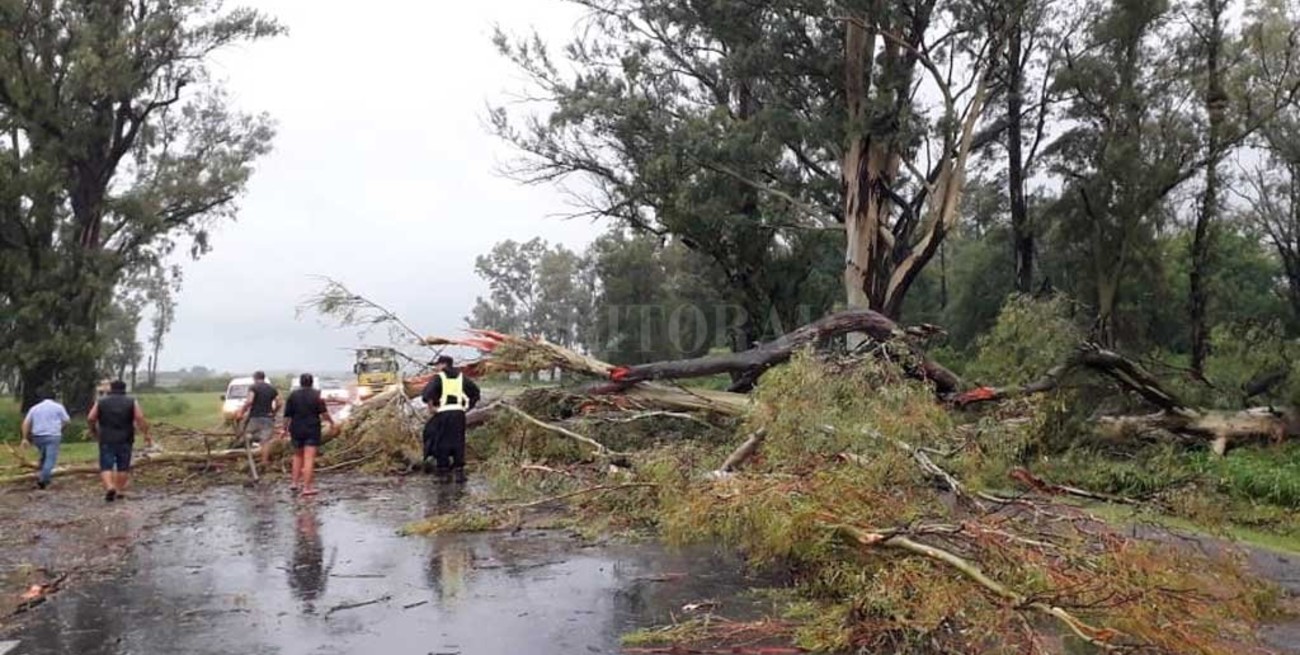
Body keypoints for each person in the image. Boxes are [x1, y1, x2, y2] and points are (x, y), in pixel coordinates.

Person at [87, 380, 152, 502]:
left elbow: (91, 417)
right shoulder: (131, 401)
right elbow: (139, 417)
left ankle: (110, 487)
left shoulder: (101, 401)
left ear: (111, 388)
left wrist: (93, 430)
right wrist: (146, 434)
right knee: (123, 466)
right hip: (125, 437)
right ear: (125, 389)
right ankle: (118, 490)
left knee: (106, 465)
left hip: (106, 437)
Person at [420, 355, 480, 483]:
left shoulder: (439, 378)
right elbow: (475, 392)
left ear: (443, 365)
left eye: (437, 365)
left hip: (444, 413)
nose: (436, 367)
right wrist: (467, 408)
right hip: (459, 414)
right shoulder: (461, 377)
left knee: (439, 440)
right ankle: (459, 471)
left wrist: (431, 408)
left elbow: (426, 394)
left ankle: (443, 471)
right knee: (458, 441)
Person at [283, 373, 335, 497]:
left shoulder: (293, 395)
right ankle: (307, 487)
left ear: (300, 383)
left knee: (297, 456)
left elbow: (287, 416)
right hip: (312, 428)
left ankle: (294, 483)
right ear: (312, 382)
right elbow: (324, 414)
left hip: (296, 428)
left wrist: (284, 429)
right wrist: (332, 423)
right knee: (309, 458)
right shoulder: (317, 395)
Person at [20, 388, 70, 490]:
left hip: (38, 436)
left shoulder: (35, 408)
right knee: (50, 459)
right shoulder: (58, 407)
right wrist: (60, 428)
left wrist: (25, 438)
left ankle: (43, 476)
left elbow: (26, 423)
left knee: (43, 457)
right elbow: (67, 420)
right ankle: (43, 480)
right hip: (53, 435)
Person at [238, 370, 281, 463]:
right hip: (268, 418)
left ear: (255, 378)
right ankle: (264, 462)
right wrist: (273, 412)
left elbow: (250, 401)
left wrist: (241, 411)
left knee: (247, 434)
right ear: (263, 378)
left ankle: (248, 458)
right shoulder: (272, 388)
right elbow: (280, 403)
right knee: (265, 441)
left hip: (255, 417)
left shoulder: (253, 387)